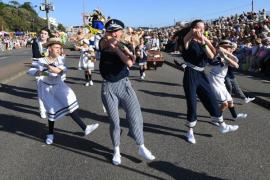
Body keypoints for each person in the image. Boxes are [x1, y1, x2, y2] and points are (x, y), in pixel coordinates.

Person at [99, 19, 155, 165]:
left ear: (121, 32)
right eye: (110, 31)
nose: (113, 34)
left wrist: (119, 48)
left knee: (135, 115)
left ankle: (141, 146)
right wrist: (112, 43)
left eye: (116, 31)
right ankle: (116, 149)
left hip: (124, 85)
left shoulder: (125, 45)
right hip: (108, 86)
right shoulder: (102, 42)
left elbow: (129, 62)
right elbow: (105, 45)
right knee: (115, 122)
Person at [176, 19, 239, 144]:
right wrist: (193, 32)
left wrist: (205, 41)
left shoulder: (203, 41)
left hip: (201, 74)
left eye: (203, 28)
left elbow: (211, 55)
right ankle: (190, 132)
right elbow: (187, 38)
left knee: (210, 98)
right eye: (199, 28)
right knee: (192, 103)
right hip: (190, 73)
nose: (201, 31)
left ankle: (222, 125)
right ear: (193, 28)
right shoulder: (187, 40)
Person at [28, 38, 99, 145]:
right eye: (56, 47)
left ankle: (85, 127)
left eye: (60, 48)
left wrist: (50, 69)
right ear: (49, 48)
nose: (58, 50)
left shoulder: (60, 59)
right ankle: (50, 134)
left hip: (58, 86)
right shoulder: (41, 60)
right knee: (51, 111)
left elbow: (61, 71)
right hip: (47, 88)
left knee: (69, 104)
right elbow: (30, 70)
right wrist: (39, 72)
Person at [208, 40, 247, 122]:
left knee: (230, 101)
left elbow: (236, 63)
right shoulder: (217, 55)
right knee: (224, 103)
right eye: (228, 47)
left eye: (229, 47)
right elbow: (215, 58)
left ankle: (234, 116)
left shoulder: (226, 56)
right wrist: (224, 54)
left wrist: (227, 55)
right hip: (214, 80)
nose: (230, 49)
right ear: (222, 48)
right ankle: (215, 118)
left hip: (221, 81)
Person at [31, 27, 51, 119]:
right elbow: (36, 55)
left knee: (49, 89)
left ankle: (49, 107)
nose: (42, 35)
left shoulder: (51, 44)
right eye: (41, 33)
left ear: (48, 35)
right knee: (41, 90)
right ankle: (42, 110)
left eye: (45, 33)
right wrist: (48, 56)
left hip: (49, 68)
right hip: (39, 68)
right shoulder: (35, 43)